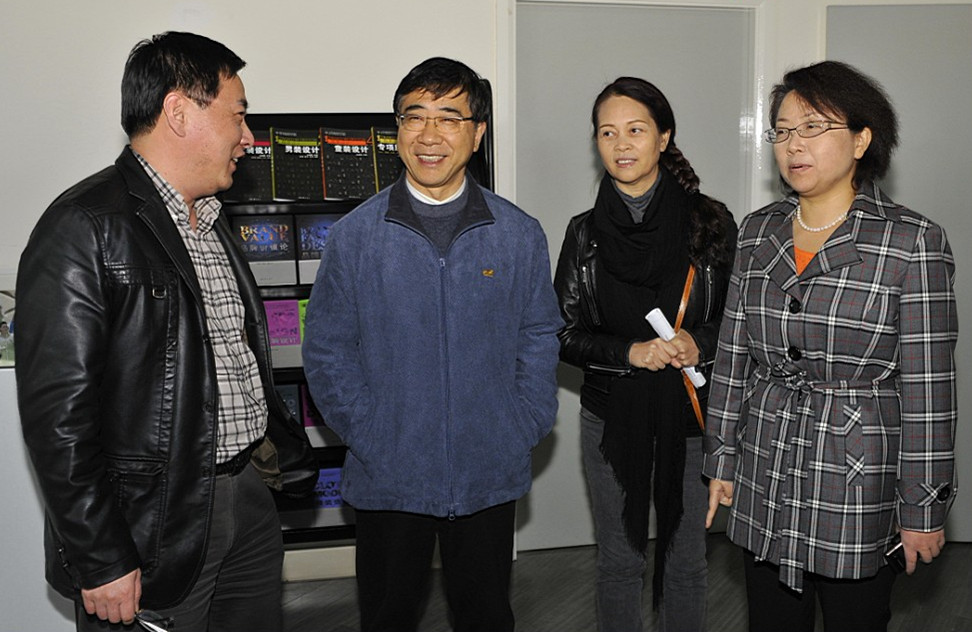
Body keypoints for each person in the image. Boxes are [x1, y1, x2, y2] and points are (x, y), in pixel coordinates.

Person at [16, 32, 294, 632]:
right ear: (178, 111)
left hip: (246, 498)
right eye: (238, 115)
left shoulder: (211, 221)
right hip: (151, 526)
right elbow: (58, 418)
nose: (249, 137)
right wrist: (100, 556)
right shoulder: (84, 226)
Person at [301, 57, 562, 632]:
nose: (429, 135)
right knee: (388, 617)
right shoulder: (356, 236)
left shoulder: (517, 234)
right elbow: (326, 351)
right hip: (389, 474)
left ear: (478, 133)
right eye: (414, 117)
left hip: (487, 470)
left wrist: (520, 422)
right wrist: (372, 432)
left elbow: (539, 334)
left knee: (486, 617)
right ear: (397, 130)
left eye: (448, 118)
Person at [703, 61, 957, 632]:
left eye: (813, 127)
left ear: (862, 140)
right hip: (766, 463)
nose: (794, 145)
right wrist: (721, 457)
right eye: (783, 131)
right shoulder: (758, 230)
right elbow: (734, 356)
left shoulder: (911, 242)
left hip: (856, 474)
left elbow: (929, 391)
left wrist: (923, 506)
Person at [554, 77, 736, 632]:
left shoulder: (710, 222)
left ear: (664, 137)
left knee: (685, 563)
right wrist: (628, 353)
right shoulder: (584, 234)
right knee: (619, 562)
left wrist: (698, 342)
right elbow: (562, 332)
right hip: (611, 418)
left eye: (635, 129)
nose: (621, 144)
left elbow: (742, 321)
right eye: (607, 133)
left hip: (690, 419)